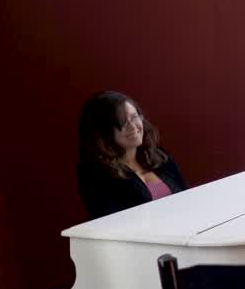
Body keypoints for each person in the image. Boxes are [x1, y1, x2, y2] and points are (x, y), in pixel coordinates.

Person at [76, 91, 187, 219]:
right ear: (103, 131)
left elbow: (187, 198)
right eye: (122, 122)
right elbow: (112, 223)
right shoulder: (95, 174)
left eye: (134, 117)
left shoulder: (159, 156)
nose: (133, 126)